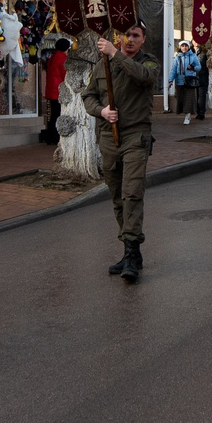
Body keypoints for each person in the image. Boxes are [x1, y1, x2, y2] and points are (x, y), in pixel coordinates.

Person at [86, 22, 157, 281]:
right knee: (117, 196)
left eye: (135, 36)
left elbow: (143, 77)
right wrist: (102, 111)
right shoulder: (102, 65)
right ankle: (133, 249)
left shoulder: (148, 63)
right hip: (108, 137)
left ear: (143, 40)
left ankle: (129, 253)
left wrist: (115, 54)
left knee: (132, 194)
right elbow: (88, 96)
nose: (129, 40)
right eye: (125, 35)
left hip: (136, 137)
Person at [38, 35, 69, 145]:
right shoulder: (62, 58)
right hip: (58, 90)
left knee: (53, 114)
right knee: (57, 114)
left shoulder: (52, 57)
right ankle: (55, 137)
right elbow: (65, 74)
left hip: (51, 90)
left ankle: (51, 137)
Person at [169, 39, 206, 124]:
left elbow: (199, 67)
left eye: (186, 46)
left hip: (190, 81)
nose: (184, 48)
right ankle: (185, 114)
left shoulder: (193, 56)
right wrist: (170, 80)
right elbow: (173, 69)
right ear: (180, 47)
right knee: (181, 99)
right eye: (182, 46)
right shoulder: (177, 57)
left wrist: (193, 68)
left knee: (189, 99)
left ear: (188, 47)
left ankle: (188, 116)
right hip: (180, 81)